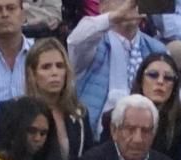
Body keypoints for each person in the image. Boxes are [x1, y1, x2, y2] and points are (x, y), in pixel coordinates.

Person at [67, 0, 166, 129]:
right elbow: (75, 40)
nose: (129, 5)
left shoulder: (158, 49)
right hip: (98, 135)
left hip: (147, 132)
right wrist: (114, 16)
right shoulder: (93, 42)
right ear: (102, 8)